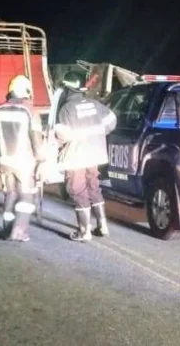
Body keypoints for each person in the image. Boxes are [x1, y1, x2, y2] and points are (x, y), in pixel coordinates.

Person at [54, 71, 117, 241]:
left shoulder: (66, 109)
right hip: (96, 154)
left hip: (77, 157)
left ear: (67, 89)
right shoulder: (95, 104)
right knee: (93, 187)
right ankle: (102, 226)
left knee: (77, 190)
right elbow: (112, 121)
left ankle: (84, 232)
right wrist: (99, 133)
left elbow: (63, 136)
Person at [0, 75, 46, 242]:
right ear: (27, 91)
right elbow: (36, 140)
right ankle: (19, 231)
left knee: (10, 194)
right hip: (24, 163)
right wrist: (41, 159)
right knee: (26, 196)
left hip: (4, 161)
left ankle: (7, 228)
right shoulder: (30, 111)